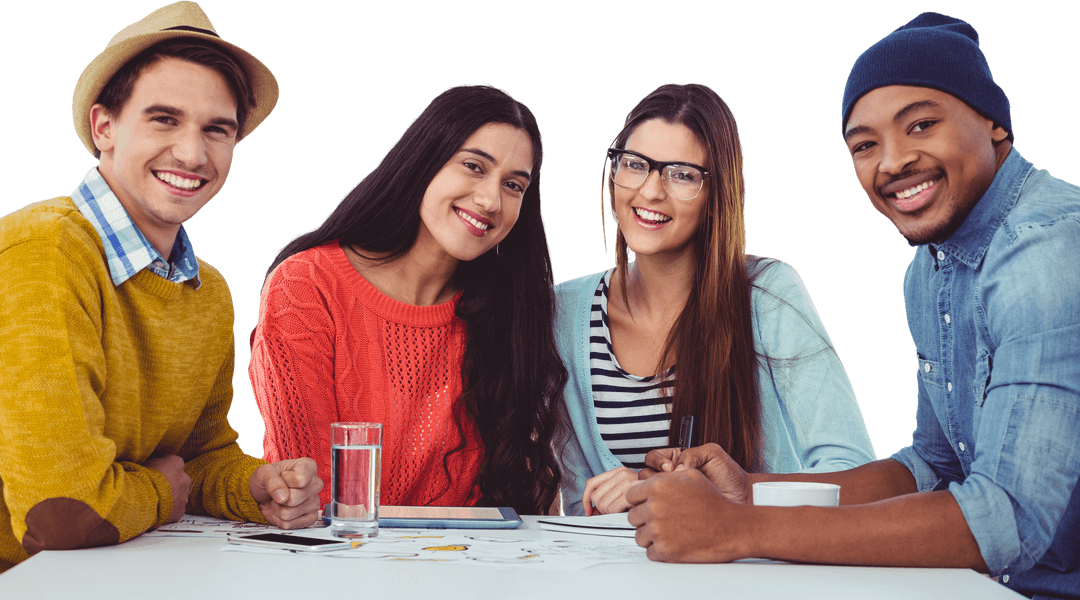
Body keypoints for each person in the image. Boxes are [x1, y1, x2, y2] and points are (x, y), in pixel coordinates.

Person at [624, 13, 1080, 600]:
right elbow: (932, 465)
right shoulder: (931, 267)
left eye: (921, 125)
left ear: (995, 124)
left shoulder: (1043, 256)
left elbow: (1008, 520)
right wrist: (749, 490)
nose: (891, 162)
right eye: (865, 145)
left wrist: (739, 528)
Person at [0, 1, 323, 572]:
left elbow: (196, 461)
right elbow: (62, 514)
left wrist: (255, 485)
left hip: (112, 574)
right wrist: (158, 491)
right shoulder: (44, 250)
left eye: (217, 130)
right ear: (104, 126)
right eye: (163, 119)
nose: (193, 153)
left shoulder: (208, 290)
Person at [555, 83, 876, 517]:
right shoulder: (565, 311)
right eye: (635, 165)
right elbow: (580, 505)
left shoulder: (767, 294)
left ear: (716, 195)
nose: (650, 191)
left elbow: (852, 472)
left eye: (682, 174)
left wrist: (690, 491)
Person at [249, 84, 566, 516]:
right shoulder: (306, 286)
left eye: (513, 185)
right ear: (425, 162)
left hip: (469, 571)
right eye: (474, 166)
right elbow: (312, 496)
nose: (491, 200)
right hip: (333, 569)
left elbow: (526, 503)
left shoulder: (508, 315)